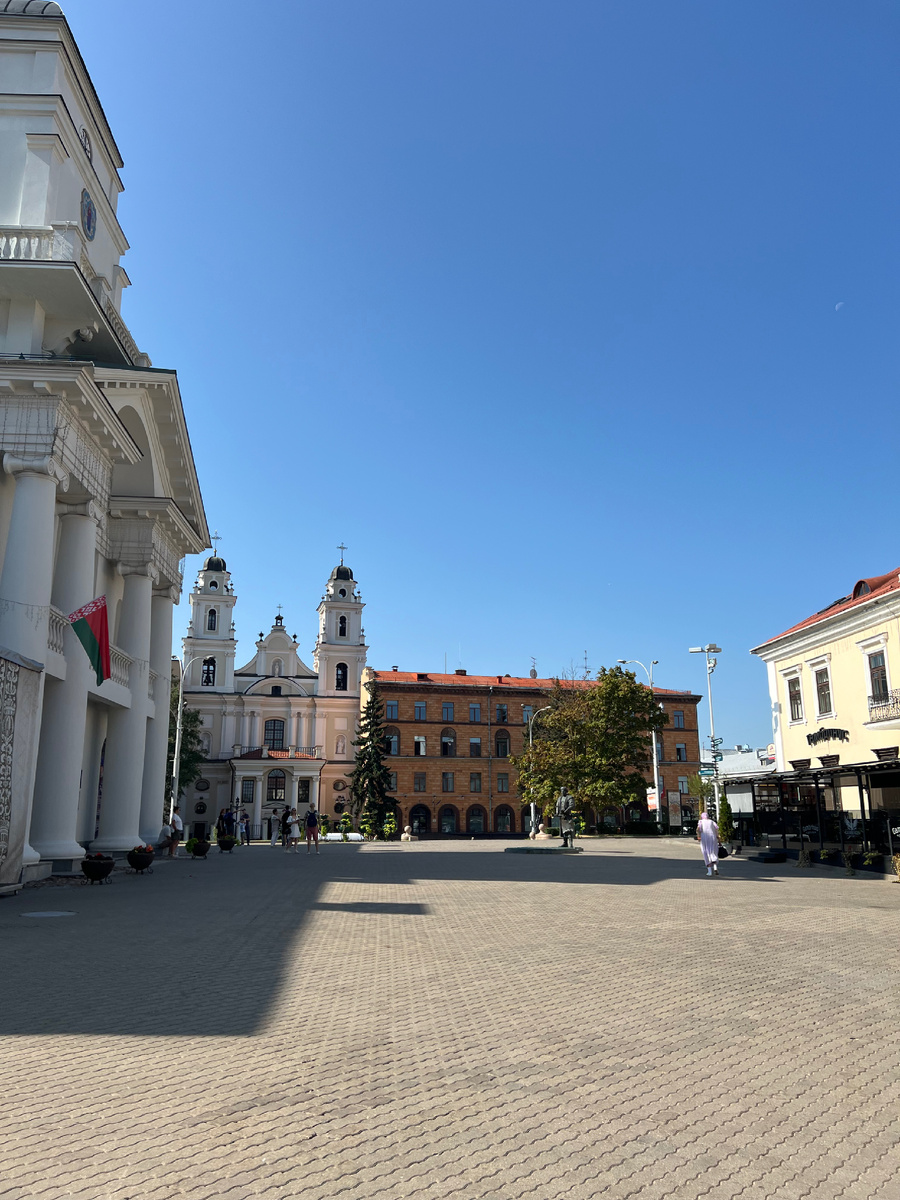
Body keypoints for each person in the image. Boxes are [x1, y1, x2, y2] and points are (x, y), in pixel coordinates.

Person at [696, 810, 720, 877]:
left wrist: (698, 836)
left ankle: (709, 871)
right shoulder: (712, 822)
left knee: (706, 852)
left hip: (704, 838)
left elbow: (698, 829)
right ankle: (715, 867)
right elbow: (716, 829)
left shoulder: (701, 822)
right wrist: (718, 838)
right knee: (713, 851)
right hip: (713, 837)